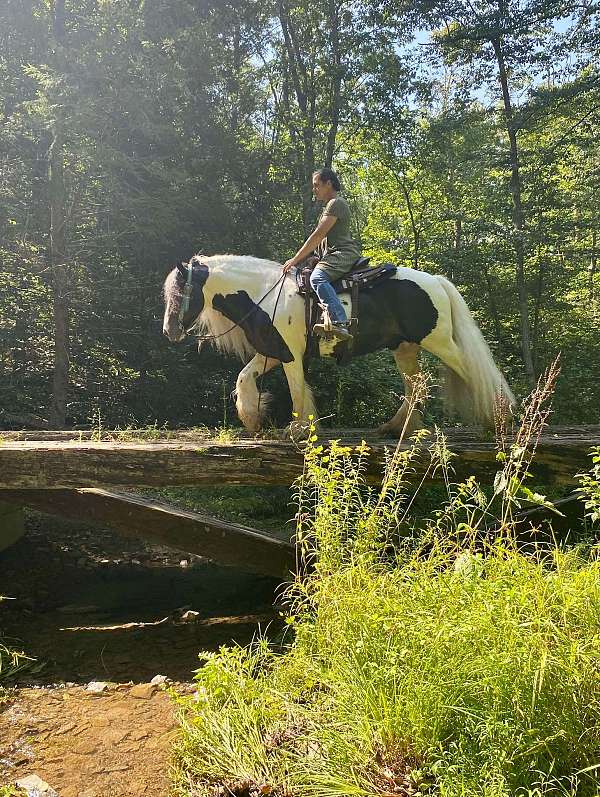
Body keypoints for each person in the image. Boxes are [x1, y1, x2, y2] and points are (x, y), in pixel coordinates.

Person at [282, 167, 361, 341]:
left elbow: (318, 235)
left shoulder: (336, 203)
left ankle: (339, 321)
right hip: (333, 253)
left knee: (317, 278)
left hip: (344, 253)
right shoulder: (330, 206)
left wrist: (295, 259)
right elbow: (325, 239)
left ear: (329, 183)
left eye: (317, 185)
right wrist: (316, 257)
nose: (314, 189)